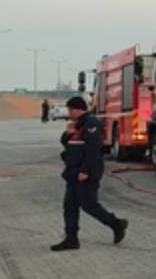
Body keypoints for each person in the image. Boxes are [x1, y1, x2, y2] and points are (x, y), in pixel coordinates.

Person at [51, 96, 128, 252]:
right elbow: (66, 142)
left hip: (85, 172)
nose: (69, 112)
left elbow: (93, 150)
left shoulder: (91, 124)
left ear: (78, 109)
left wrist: (85, 171)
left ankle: (116, 224)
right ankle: (71, 238)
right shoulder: (76, 124)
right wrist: (67, 133)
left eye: (70, 109)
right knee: (69, 206)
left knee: (89, 205)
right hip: (72, 172)